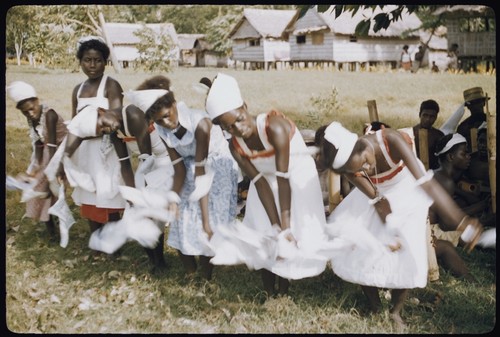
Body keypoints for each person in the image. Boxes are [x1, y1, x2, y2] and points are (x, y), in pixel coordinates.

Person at [317, 121, 483, 328]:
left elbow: (427, 185)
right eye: (360, 170)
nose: (367, 169)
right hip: (377, 196)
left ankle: (396, 311)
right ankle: (375, 306)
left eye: (365, 162)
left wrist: (461, 220)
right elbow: (380, 202)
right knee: (362, 246)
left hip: (409, 188)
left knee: (407, 248)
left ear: (362, 146)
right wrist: (391, 232)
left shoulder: (391, 141)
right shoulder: (349, 166)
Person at [205, 73, 331, 297]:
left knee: (290, 234)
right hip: (264, 180)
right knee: (263, 231)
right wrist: (274, 226)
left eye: (239, 119)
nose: (238, 129)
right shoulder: (236, 146)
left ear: (244, 106)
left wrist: (284, 228)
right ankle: (268, 291)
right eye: (229, 128)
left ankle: (283, 290)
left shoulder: (275, 127)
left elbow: (284, 181)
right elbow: (261, 183)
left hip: (294, 176)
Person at [127, 75, 239, 281]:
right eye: (159, 120)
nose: (167, 122)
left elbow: (201, 173)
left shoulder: (201, 124)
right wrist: (173, 198)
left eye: (168, 115)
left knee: (207, 223)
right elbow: (179, 169)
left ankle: (205, 276)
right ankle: (191, 273)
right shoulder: (162, 129)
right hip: (189, 167)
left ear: (174, 104)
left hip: (214, 167)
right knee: (181, 218)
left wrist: (205, 220)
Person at [86, 102, 173, 270]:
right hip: (146, 169)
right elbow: (125, 165)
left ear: (102, 110)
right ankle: (155, 261)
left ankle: (160, 261)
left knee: (151, 211)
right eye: (102, 131)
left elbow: (147, 159)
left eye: (103, 124)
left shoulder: (132, 114)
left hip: (167, 163)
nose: (106, 129)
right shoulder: (113, 131)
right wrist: (132, 194)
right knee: (134, 213)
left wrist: (142, 195)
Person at [61, 36, 129, 237]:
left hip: (106, 149)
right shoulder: (78, 90)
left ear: (105, 62)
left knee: (108, 192)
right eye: (87, 60)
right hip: (85, 152)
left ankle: (113, 240)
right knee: (89, 192)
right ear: (80, 62)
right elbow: (75, 123)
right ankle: (96, 238)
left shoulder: (111, 85)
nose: (92, 65)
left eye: (98, 60)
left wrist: (86, 129)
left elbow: (116, 119)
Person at [7, 81, 68, 240]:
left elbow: (54, 147)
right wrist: (33, 171)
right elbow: (38, 144)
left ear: (37, 100)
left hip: (62, 153)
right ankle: (51, 230)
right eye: (25, 112)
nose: (30, 113)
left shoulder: (49, 114)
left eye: (31, 109)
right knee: (38, 189)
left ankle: (61, 231)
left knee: (53, 191)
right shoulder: (32, 119)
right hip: (48, 153)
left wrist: (50, 177)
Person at [429, 133, 476, 282]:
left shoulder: (439, 175)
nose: (468, 156)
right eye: (464, 153)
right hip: (428, 230)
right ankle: (471, 280)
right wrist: (478, 213)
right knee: (446, 247)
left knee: (467, 238)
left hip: (433, 227)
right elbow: (446, 223)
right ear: (450, 157)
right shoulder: (445, 181)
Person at [412, 99, 444, 170]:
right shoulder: (410, 133)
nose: (427, 119)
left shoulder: (439, 136)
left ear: (436, 117)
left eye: (431, 116)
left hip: (432, 172)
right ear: (420, 115)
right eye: (425, 115)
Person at [457, 87, 489, 152]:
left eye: (478, 102)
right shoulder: (463, 127)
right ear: (468, 106)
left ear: (484, 103)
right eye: (472, 103)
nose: (476, 106)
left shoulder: (493, 122)